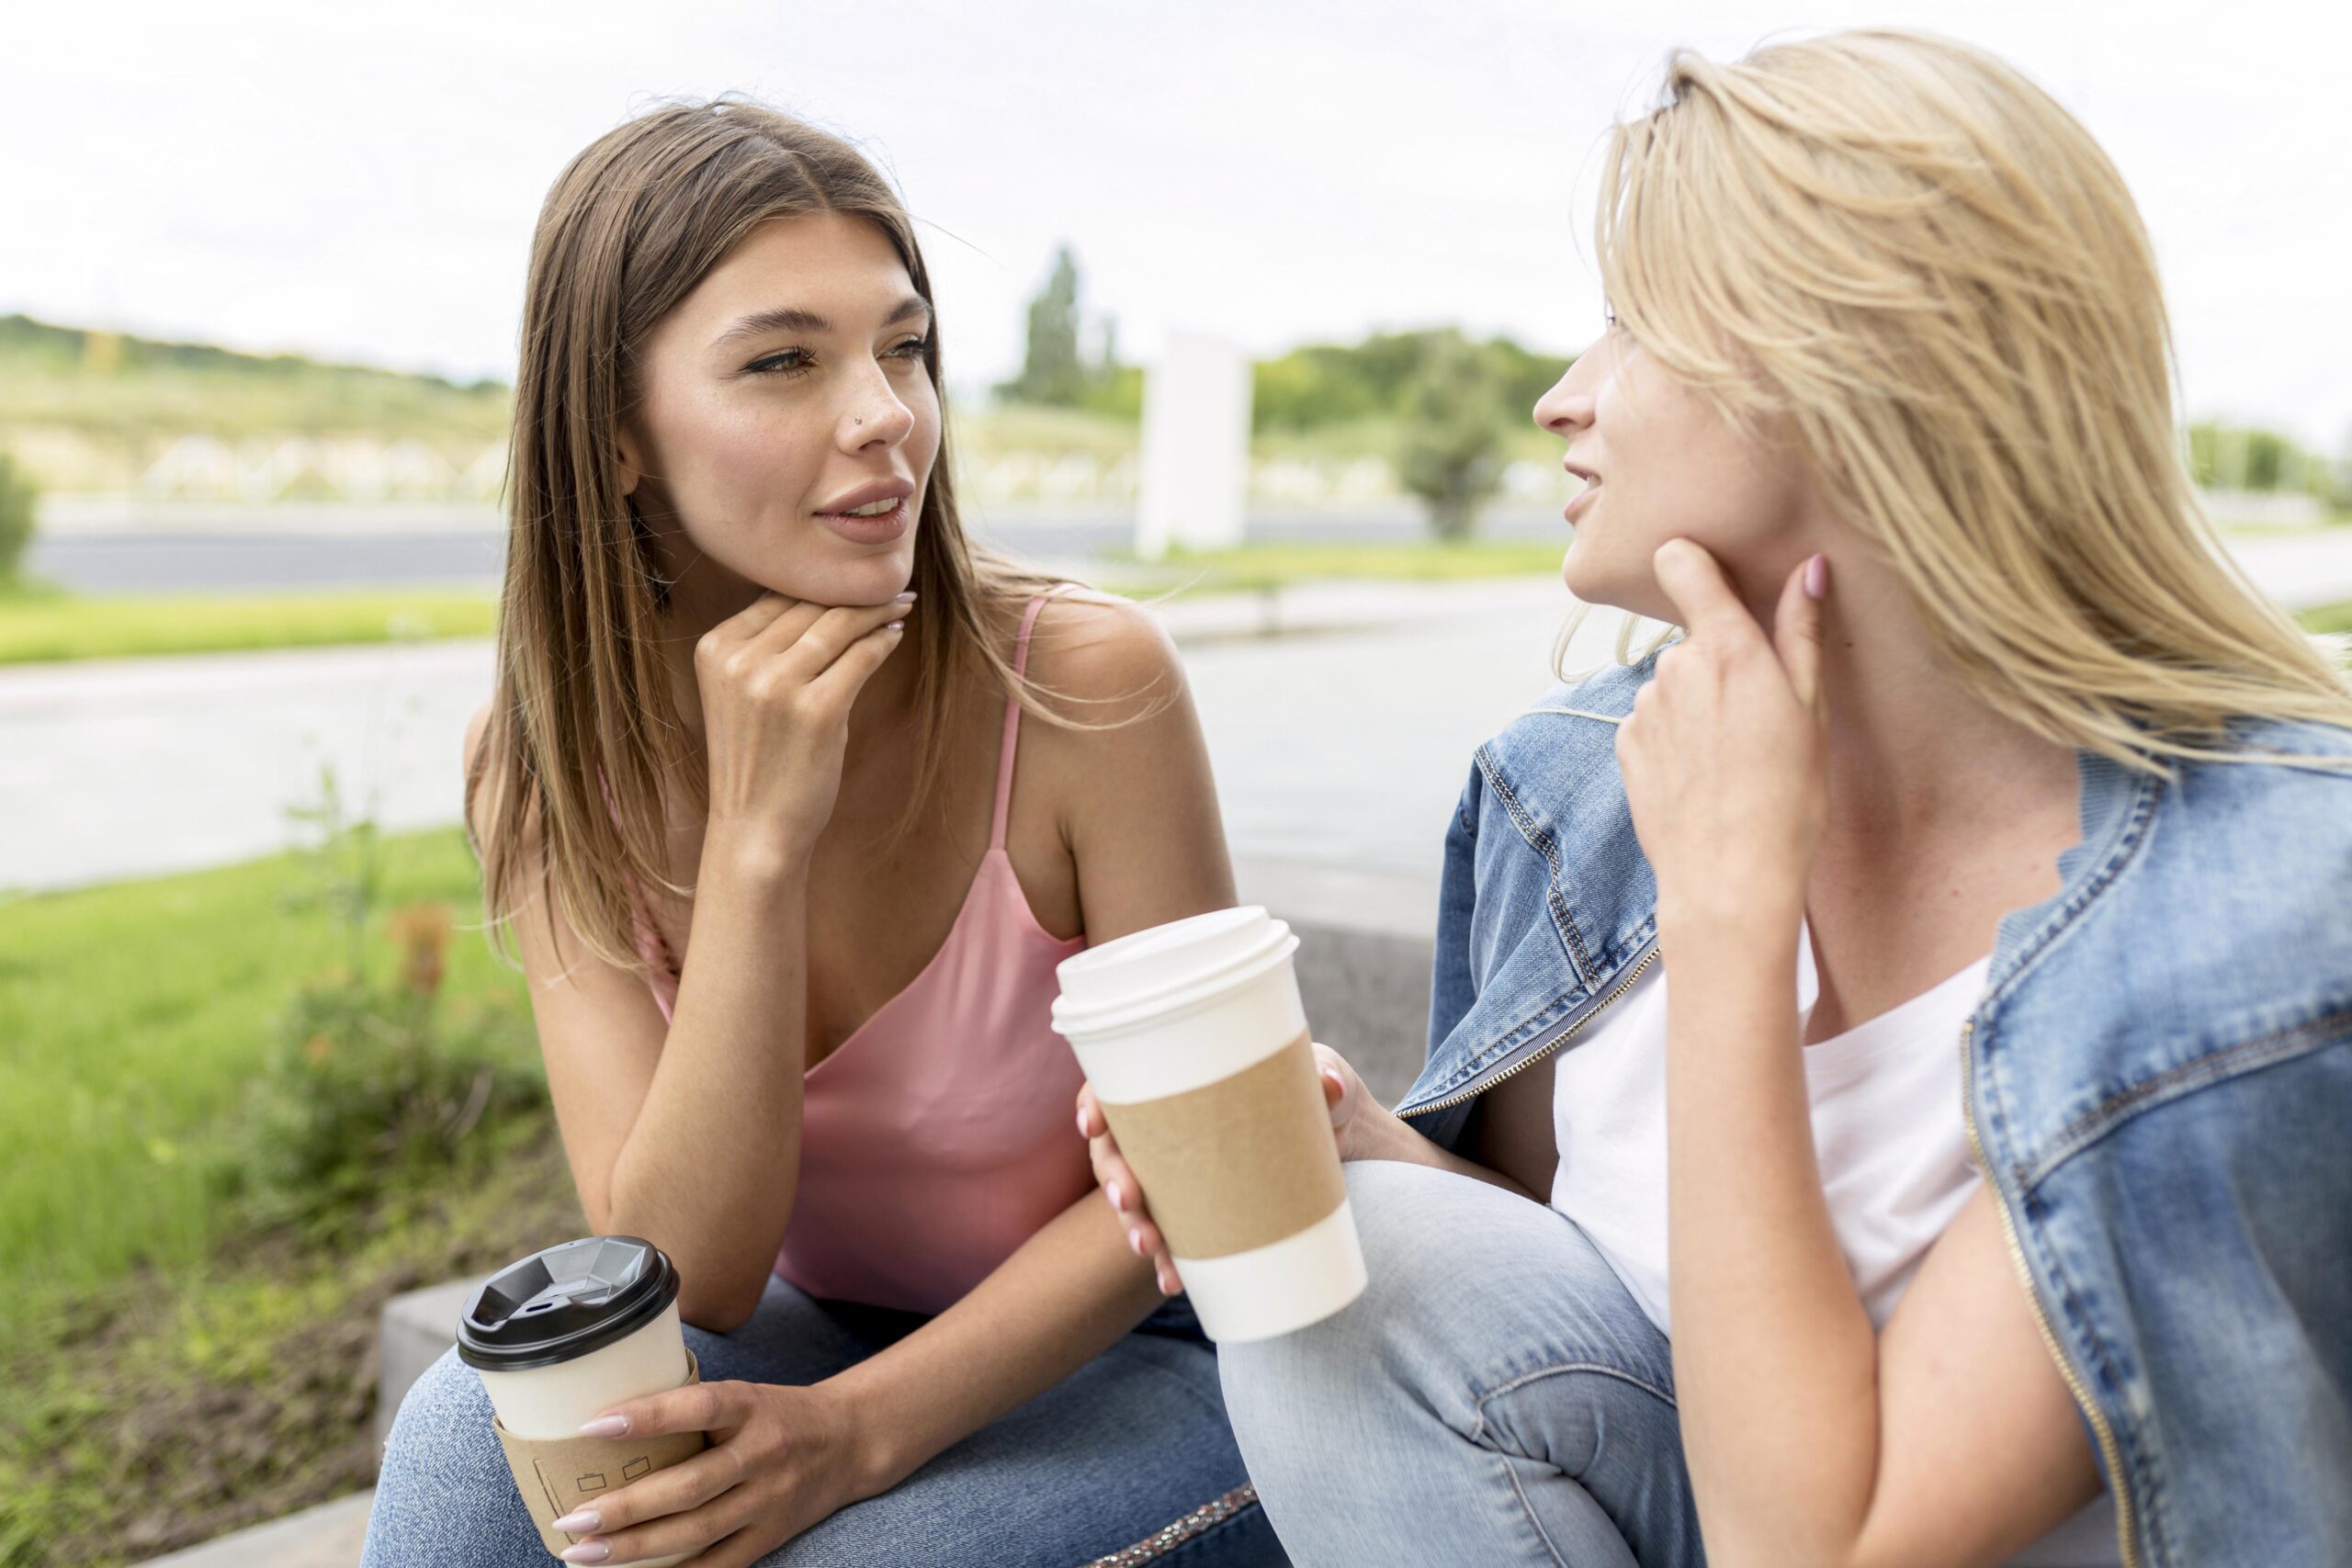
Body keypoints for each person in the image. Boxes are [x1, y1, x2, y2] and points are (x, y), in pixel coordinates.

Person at [1082, 28, 2352, 1568]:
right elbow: (1565, 1314)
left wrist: (1735, 922)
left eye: (1630, 327)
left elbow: (1817, 1550)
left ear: (1843, 372)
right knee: (1376, 1252)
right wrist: (1361, 1146)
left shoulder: (2265, 909)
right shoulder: (1580, 780)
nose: (1562, 398)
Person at [363, 99, 1286, 1567]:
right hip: (813, 1329)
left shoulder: (1083, 685)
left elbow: (1211, 1173)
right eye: (787, 360)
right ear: (612, 438)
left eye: (903, 347)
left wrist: (854, 1436)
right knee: (463, 1448)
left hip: (1172, 1348)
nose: (885, 414)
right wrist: (755, 848)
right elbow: (692, 1274)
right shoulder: (541, 770)